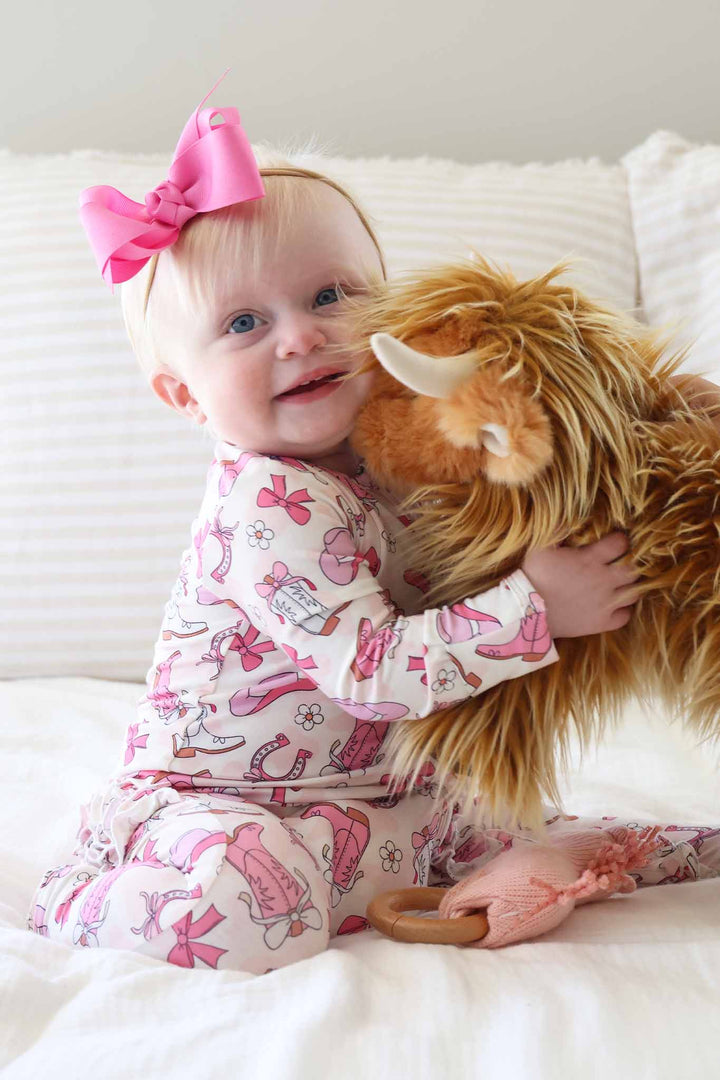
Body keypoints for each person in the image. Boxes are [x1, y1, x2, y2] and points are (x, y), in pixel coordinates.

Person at [27, 90, 720, 974]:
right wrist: (537, 606)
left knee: (546, 830)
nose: (302, 336)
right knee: (238, 902)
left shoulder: (395, 453)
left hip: (388, 801)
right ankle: (91, 897)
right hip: (227, 799)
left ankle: (611, 856)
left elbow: (534, 479)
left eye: (331, 295)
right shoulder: (267, 502)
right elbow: (371, 672)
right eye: (245, 323)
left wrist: (650, 434)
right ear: (185, 396)